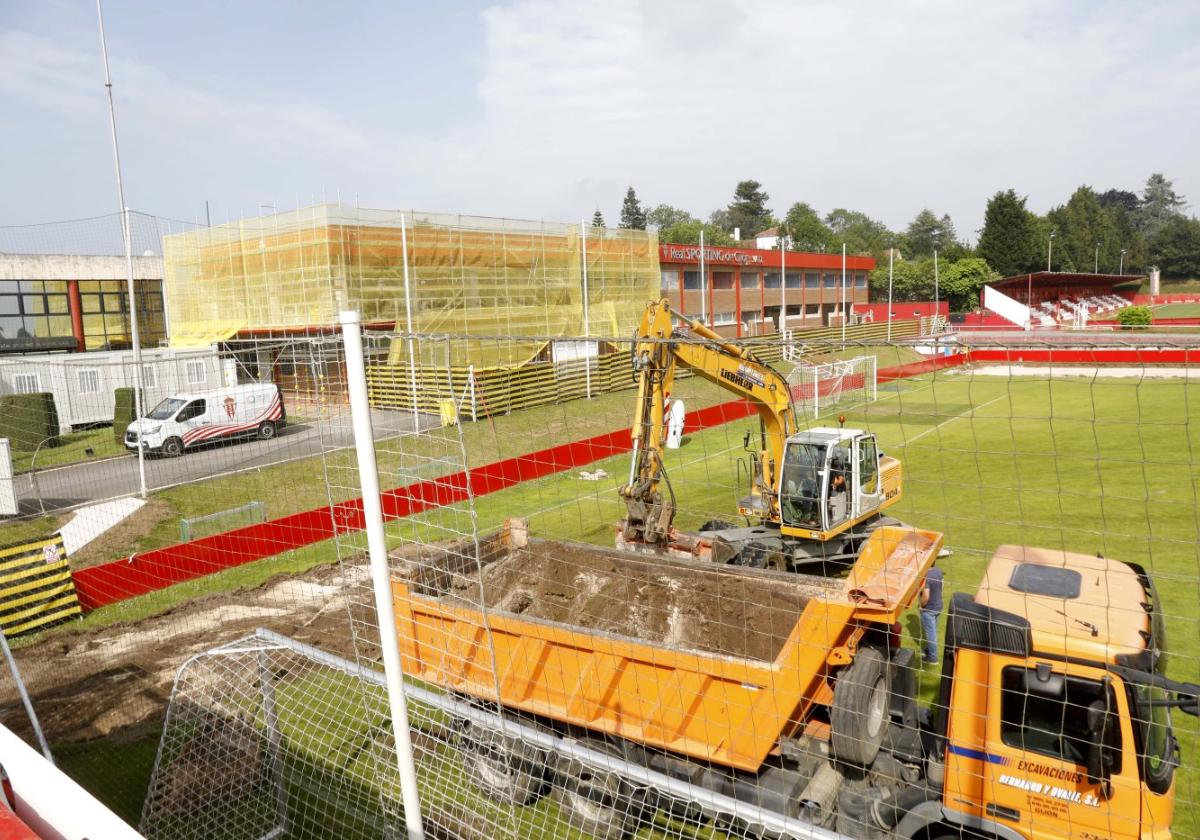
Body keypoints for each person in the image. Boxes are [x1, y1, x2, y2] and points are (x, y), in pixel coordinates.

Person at [919, 560, 944, 665]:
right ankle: (930, 650)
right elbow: (942, 585)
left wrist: (921, 605)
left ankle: (933, 658)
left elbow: (926, 595)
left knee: (931, 634)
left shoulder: (926, 576)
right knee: (934, 631)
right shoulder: (938, 571)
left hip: (928, 609)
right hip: (938, 605)